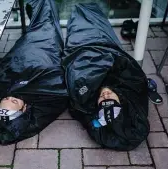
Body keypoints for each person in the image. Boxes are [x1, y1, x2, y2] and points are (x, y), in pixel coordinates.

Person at [63, 3, 150, 151]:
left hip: (80, 47)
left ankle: (80, 8)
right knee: (94, 12)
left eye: (103, 100)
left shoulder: (86, 100)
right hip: (104, 43)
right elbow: (126, 66)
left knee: (78, 17)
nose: (105, 94)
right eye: (111, 99)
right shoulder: (130, 89)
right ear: (121, 102)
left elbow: (77, 101)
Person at [0, 0, 68, 145]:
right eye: (14, 101)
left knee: (38, 25)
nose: (10, 97)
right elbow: (58, 87)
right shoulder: (43, 96)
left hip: (28, 47)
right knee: (48, 23)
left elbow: (2, 71)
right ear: (25, 108)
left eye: (5, 99)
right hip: (45, 49)